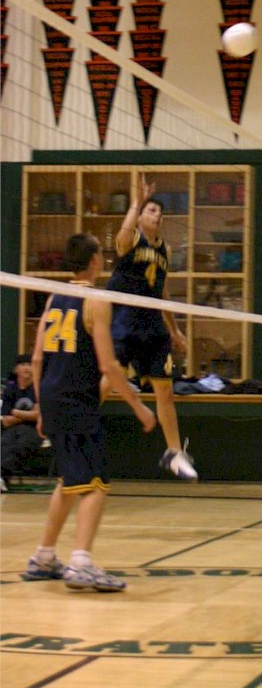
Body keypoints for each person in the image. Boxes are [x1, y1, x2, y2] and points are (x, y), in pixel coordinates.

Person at [24, 232, 156, 591]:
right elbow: (108, 365)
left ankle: (43, 557)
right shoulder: (95, 300)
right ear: (95, 260)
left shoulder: (53, 297)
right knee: (96, 483)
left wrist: (41, 408)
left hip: (52, 398)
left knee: (69, 481)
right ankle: (81, 563)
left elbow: (36, 358)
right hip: (76, 401)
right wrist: (139, 407)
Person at [107, 172, 197, 480]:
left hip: (153, 326)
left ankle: (174, 453)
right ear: (141, 214)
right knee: (108, 381)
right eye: (151, 210)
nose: (157, 215)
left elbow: (163, 290)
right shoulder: (132, 238)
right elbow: (121, 239)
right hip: (125, 321)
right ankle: (76, 423)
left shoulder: (165, 250)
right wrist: (137, 202)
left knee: (165, 390)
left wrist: (175, 329)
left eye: (160, 212)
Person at [1, 353, 43, 491]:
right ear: (16, 369)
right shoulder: (10, 390)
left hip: (34, 430)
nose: (27, 368)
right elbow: (6, 421)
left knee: (21, 444)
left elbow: (38, 416)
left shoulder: (39, 389)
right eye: (23, 364)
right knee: (5, 442)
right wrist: (27, 414)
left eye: (30, 364)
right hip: (12, 429)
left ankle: (2, 476)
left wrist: (17, 413)